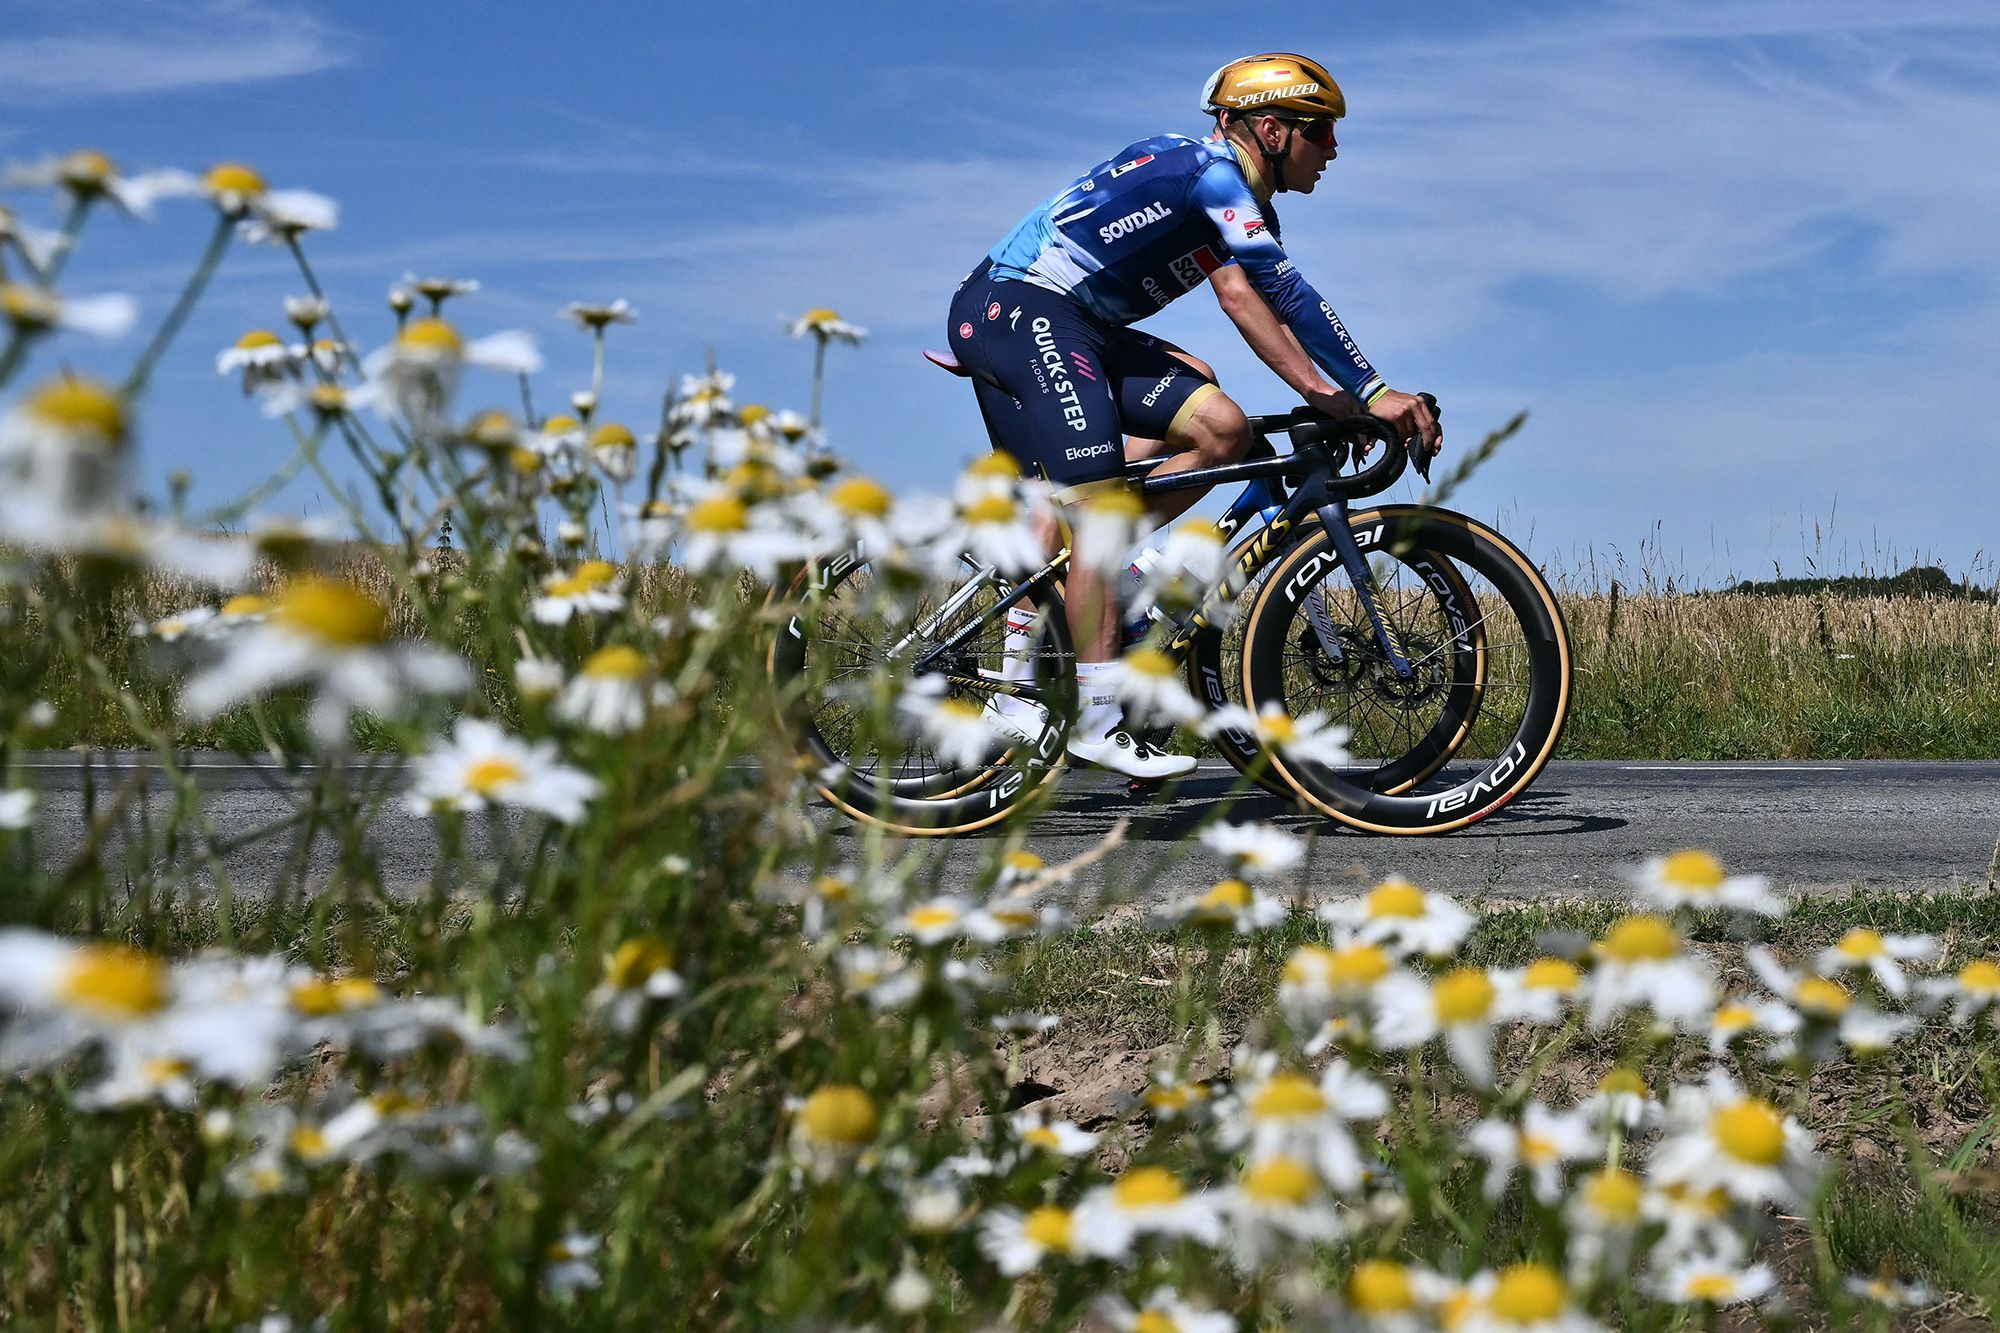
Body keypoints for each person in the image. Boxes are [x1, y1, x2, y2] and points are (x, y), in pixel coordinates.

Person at [945, 52, 1443, 781]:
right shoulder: (1207, 176)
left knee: (1222, 425)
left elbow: (1253, 297)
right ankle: (1094, 714)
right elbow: (1279, 297)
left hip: (1078, 326)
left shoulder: (1235, 199)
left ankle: (1103, 585)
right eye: (1321, 131)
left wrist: (1332, 394)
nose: (1333, 149)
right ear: (1271, 129)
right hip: (1019, 309)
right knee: (1098, 509)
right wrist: (1366, 393)